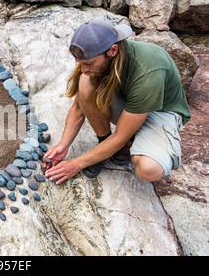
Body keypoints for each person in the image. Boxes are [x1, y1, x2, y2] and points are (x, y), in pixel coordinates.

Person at [42, 17, 191, 184]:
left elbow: (121, 135)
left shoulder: (148, 72)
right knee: (85, 83)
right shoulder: (103, 57)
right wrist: (63, 145)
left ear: (112, 51)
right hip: (130, 104)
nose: (83, 69)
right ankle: (107, 144)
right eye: (80, 63)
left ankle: (128, 145)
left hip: (160, 111)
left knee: (149, 169)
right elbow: (78, 107)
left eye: (89, 63)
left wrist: (76, 164)